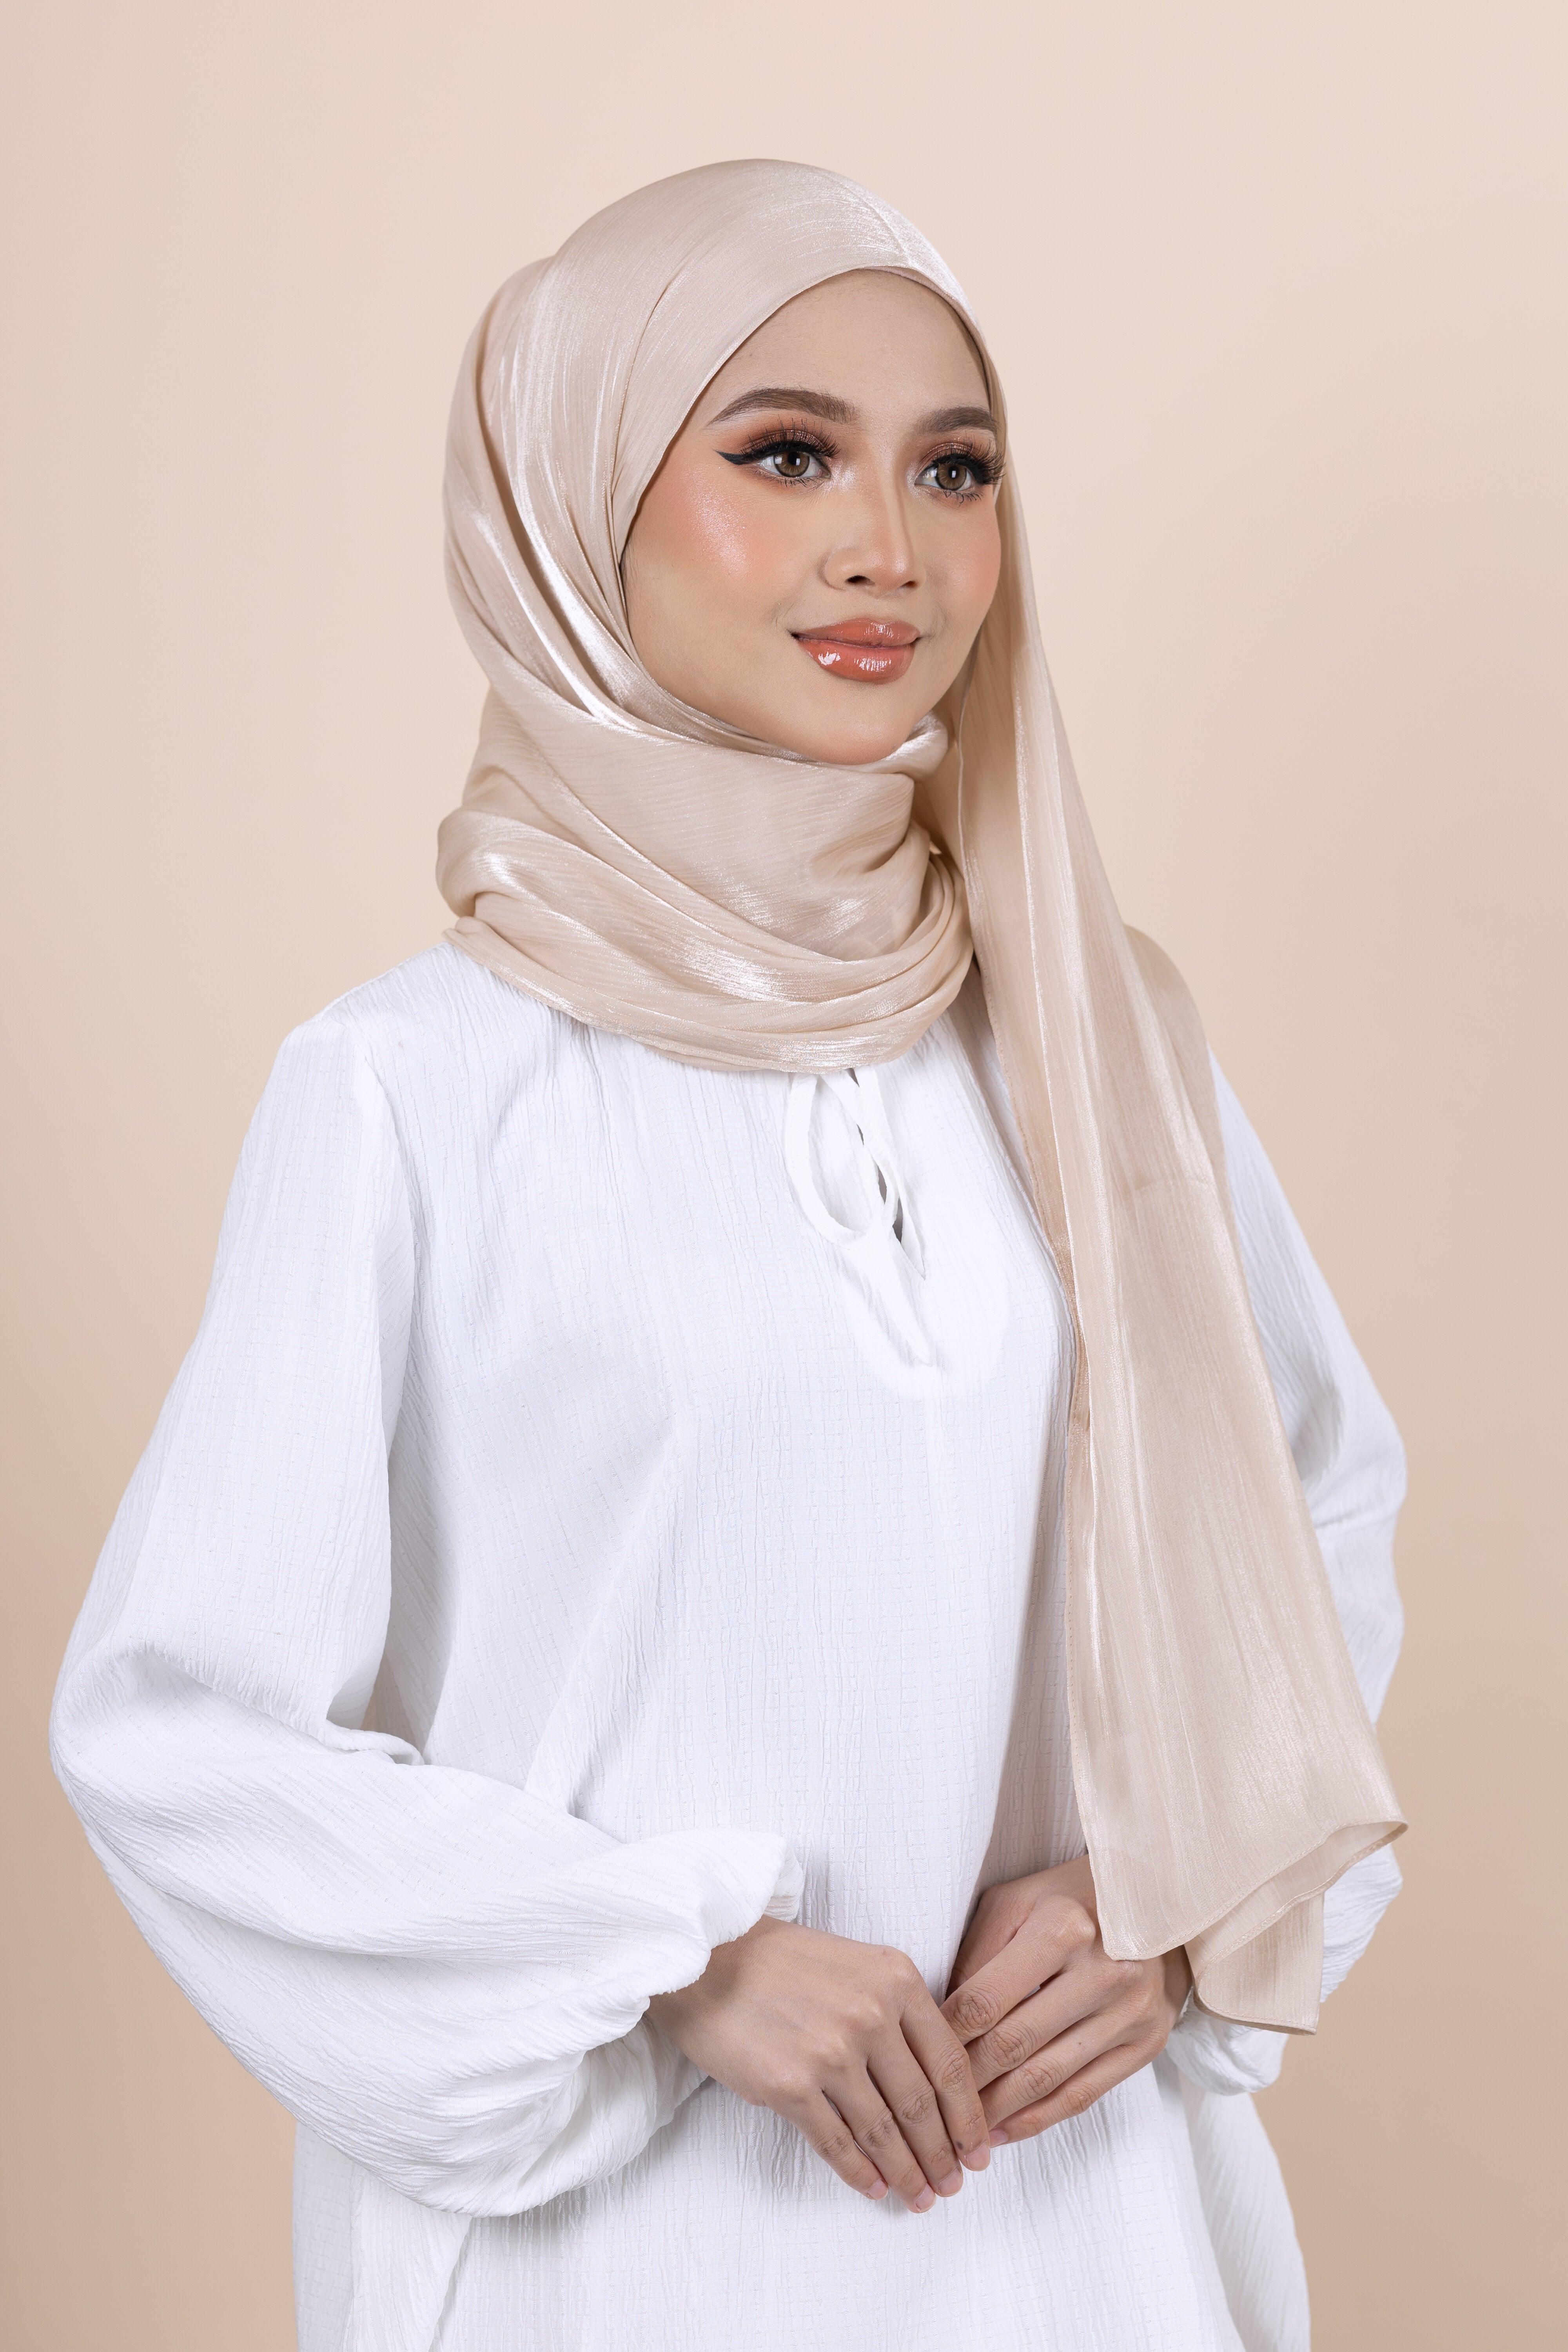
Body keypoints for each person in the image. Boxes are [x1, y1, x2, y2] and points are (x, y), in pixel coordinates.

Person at [51, 161, 1405, 2352]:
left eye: (954, 469)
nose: (891, 548)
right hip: (616, 2253)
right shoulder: (409, 1088)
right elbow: (180, 1725)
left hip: (1078, 2226)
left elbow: (1310, 1510)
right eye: (787, 455)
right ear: (573, 505)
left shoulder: (1097, 1036)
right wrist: (670, 1964)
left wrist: (1177, 1892)